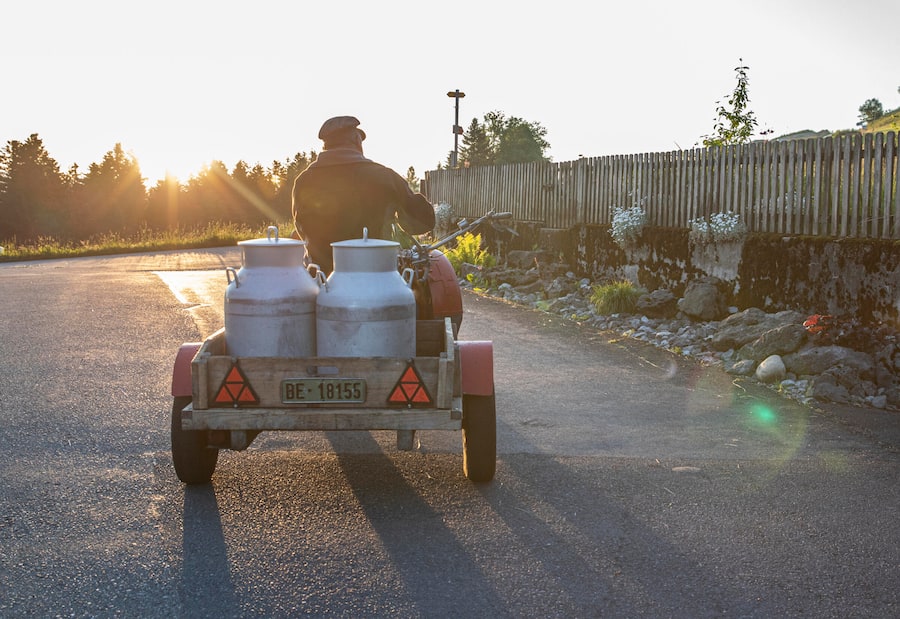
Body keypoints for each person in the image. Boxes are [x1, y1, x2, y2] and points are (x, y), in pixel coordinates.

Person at [292, 116, 436, 272]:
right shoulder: (384, 177)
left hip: (322, 280)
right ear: (356, 141)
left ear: (326, 145)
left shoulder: (304, 180)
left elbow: (300, 227)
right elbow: (421, 223)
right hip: (378, 277)